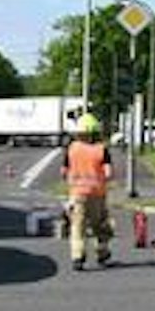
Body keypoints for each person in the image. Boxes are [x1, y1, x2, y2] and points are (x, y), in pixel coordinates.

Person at [63, 113, 113, 270]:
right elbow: (108, 173)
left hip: (77, 194)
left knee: (77, 227)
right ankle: (102, 251)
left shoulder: (72, 149)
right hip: (97, 194)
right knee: (100, 226)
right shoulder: (101, 150)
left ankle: (78, 256)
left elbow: (63, 172)